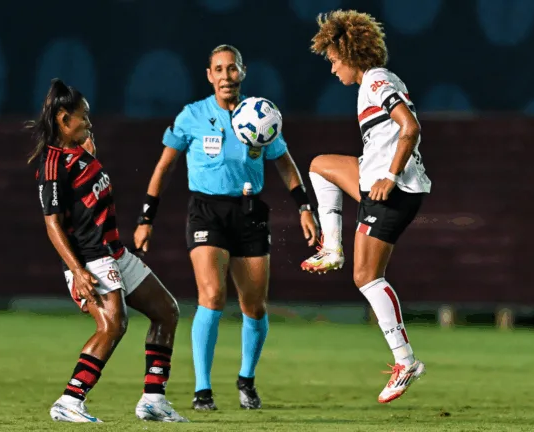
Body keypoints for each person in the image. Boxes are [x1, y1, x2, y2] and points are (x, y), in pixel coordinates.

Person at [133, 45, 318, 411]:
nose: (225, 76)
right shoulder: (192, 116)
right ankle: (202, 390)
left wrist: (304, 207)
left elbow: (284, 163)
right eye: (218, 69)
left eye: (232, 69)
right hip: (206, 212)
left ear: (242, 72)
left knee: (255, 307)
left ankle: (246, 380)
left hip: (249, 213)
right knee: (212, 295)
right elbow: (164, 166)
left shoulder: (261, 115)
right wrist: (146, 218)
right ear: (209, 76)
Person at [28, 78, 188, 423]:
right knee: (113, 324)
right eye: (83, 116)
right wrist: (78, 271)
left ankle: (154, 400)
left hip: (114, 251)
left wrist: (89, 156)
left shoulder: (80, 153)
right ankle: (69, 401)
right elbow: (53, 224)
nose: (89, 122)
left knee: (166, 311)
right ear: (63, 119)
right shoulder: (53, 164)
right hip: (89, 258)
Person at [305, 10, 431, 403]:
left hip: (393, 190)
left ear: (349, 54)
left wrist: (389, 176)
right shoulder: (372, 84)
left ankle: (405, 361)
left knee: (366, 277)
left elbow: (410, 127)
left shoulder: (376, 80)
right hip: (373, 180)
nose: (332, 69)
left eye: (333, 60)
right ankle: (332, 248)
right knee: (320, 166)